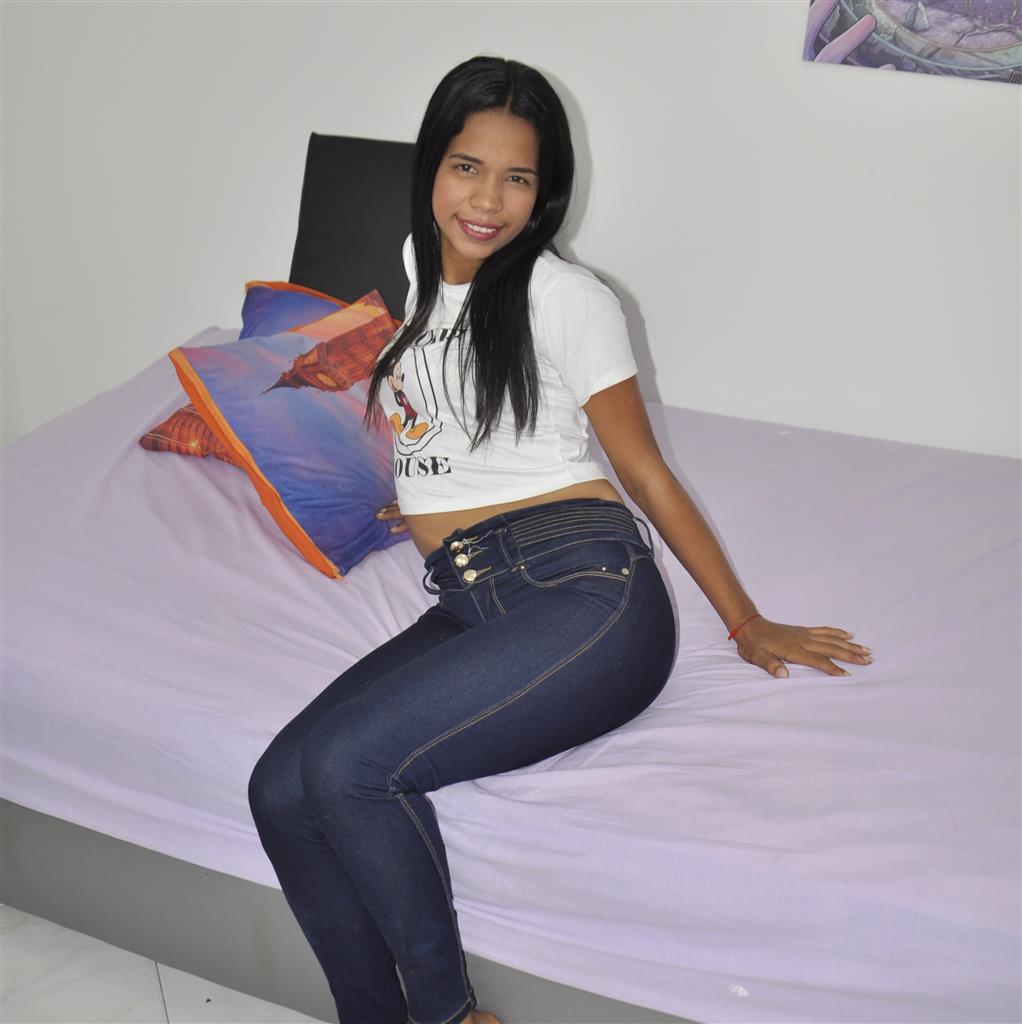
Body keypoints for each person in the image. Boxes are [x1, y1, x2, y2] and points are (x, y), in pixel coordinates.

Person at [248, 55, 873, 1024]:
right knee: (279, 789)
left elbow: (644, 471)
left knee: (347, 770)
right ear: (431, 165)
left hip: (585, 591)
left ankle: (452, 1015)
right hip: (473, 594)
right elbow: (452, 420)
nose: (485, 200)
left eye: (517, 178)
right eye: (466, 167)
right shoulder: (419, 264)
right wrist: (418, 493)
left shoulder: (565, 296)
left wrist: (744, 621)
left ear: (544, 193)